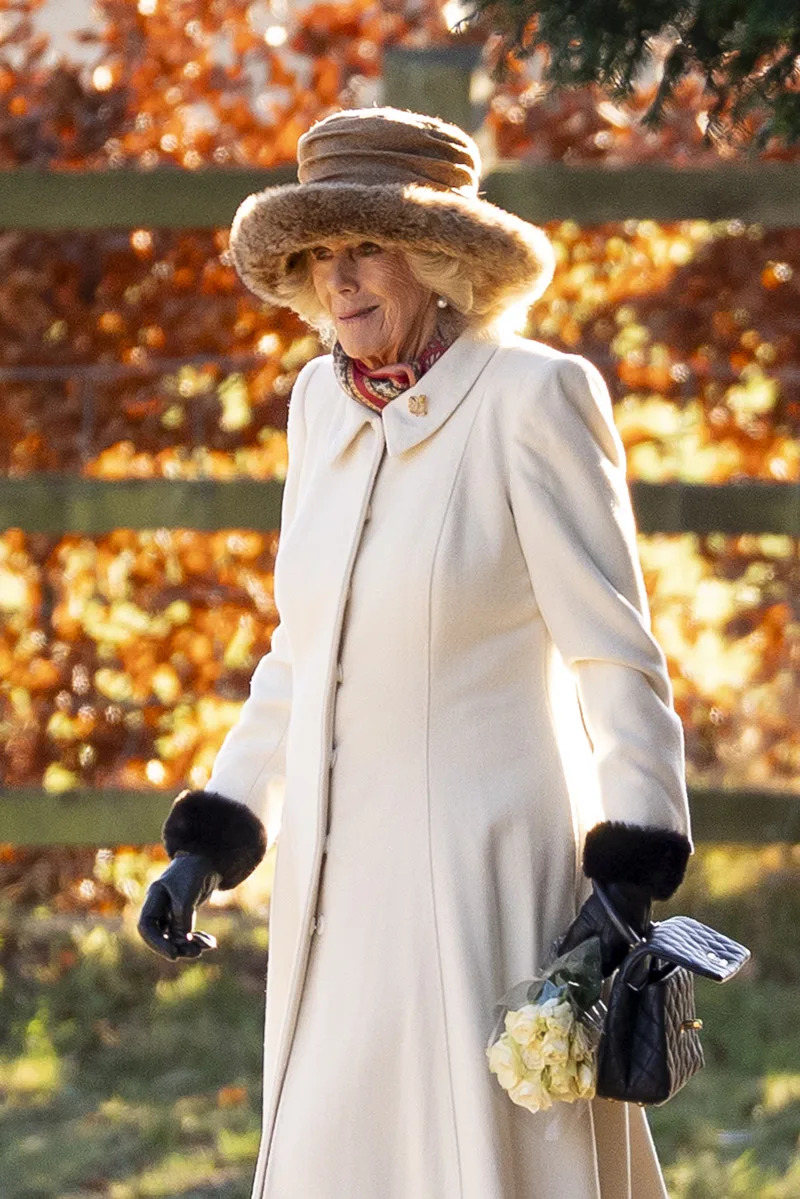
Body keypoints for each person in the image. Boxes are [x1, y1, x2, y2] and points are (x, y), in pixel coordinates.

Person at [138, 107, 692, 1199]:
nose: (339, 281)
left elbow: (612, 654)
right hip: (333, 887)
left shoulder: (532, 398)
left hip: (482, 867)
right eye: (320, 254)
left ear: (439, 259)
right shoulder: (316, 404)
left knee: (482, 1156)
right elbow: (300, 650)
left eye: (366, 247)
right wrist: (216, 831)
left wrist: (627, 870)